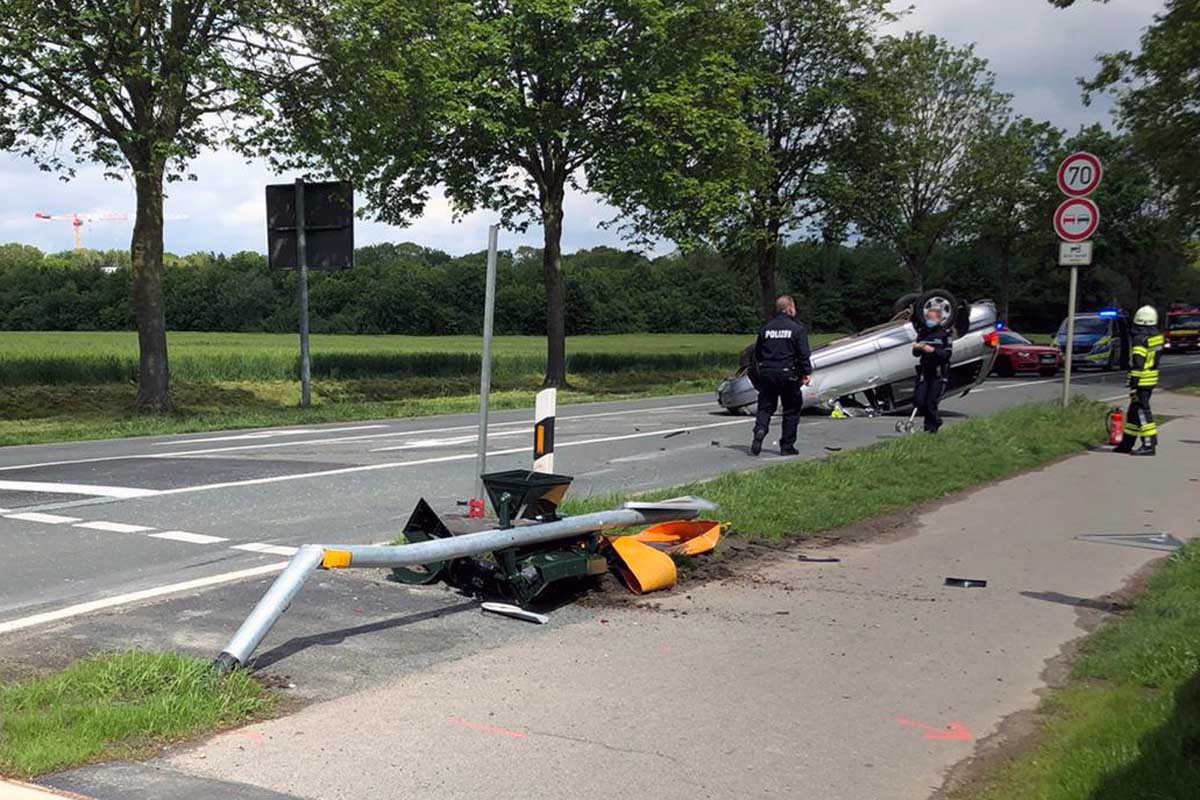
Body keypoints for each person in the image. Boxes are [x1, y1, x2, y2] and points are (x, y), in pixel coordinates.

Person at [751, 295, 812, 456]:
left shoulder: (766, 329)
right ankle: (787, 446)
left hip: (768, 374)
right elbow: (803, 354)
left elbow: (757, 353)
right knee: (791, 410)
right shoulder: (797, 329)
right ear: (790, 309)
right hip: (789, 374)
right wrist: (806, 373)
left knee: (765, 407)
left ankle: (760, 429)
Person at [1115, 305, 1163, 456]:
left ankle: (1148, 445)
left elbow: (1138, 364)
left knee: (1142, 412)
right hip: (1150, 378)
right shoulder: (1156, 337)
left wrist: (1134, 386)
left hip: (1141, 381)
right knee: (1133, 413)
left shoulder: (1139, 339)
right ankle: (1127, 443)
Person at [912, 306, 952, 433]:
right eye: (928, 318)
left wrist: (933, 350)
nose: (929, 321)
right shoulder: (923, 332)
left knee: (931, 402)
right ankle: (935, 421)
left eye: (932, 318)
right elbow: (916, 354)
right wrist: (917, 348)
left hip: (938, 371)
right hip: (924, 371)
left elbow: (947, 354)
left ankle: (931, 428)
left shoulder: (944, 334)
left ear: (939, 319)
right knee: (919, 400)